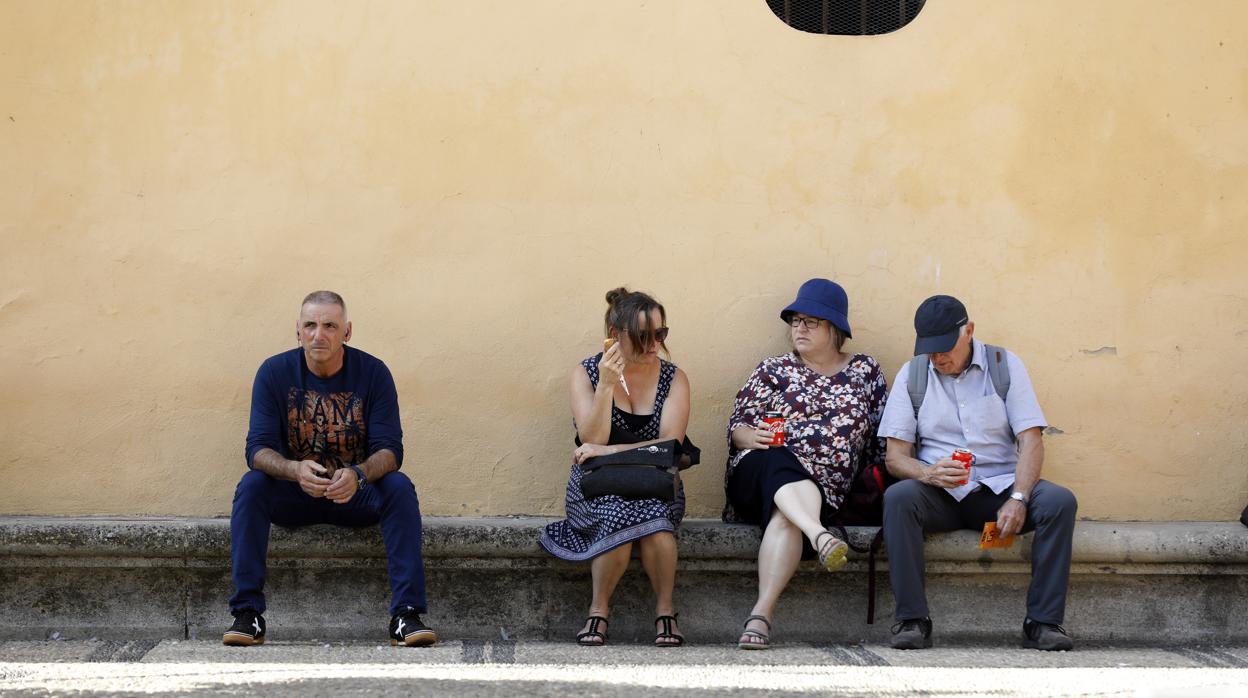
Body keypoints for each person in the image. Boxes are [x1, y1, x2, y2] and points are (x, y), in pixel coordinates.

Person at [224, 290, 436, 648]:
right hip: (296, 493)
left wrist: (358, 475)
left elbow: (391, 451)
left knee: (398, 486)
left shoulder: (373, 373)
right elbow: (256, 450)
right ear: (297, 330)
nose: (318, 334)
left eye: (329, 326)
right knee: (252, 485)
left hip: (354, 495)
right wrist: (294, 470)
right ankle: (248, 615)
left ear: (347, 332)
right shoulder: (274, 373)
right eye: (310, 325)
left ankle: (406, 615)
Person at [878, 295, 1077, 651]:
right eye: (930, 350)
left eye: (944, 348)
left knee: (1059, 502)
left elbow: (1031, 440)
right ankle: (912, 620)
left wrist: (1018, 498)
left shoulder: (1004, 365)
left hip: (997, 495)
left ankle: (1043, 622)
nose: (938, 358)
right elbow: (895, 457)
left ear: (968, 331)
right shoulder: (913, 375)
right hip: (940, 495)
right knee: (898, 497)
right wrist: (927, 473)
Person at [723, 278, 887, 650]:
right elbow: (738, 429)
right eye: (795, 321)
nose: (800, 328)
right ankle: (820, 535)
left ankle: (761, 616)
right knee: (780, 459)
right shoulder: (773, 369)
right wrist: (754, 438)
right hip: (760, 472)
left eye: (811, 321)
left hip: (823, 491)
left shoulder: (866, 372)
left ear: (835, 330)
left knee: (787, 518)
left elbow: (879, 438)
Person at [539, 288, 692, 647]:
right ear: (614, 335)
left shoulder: (674, 378)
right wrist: (607, 384)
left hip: (654, 483)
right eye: (643, 335)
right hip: (596, 485)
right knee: (614, 516)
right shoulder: (586, 373)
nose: (654, 343)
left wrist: (610, 450)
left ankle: (665, 612)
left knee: (657, 525)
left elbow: (669, 446)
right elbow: (591, 436)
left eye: (661, 333)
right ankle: (598, 610)